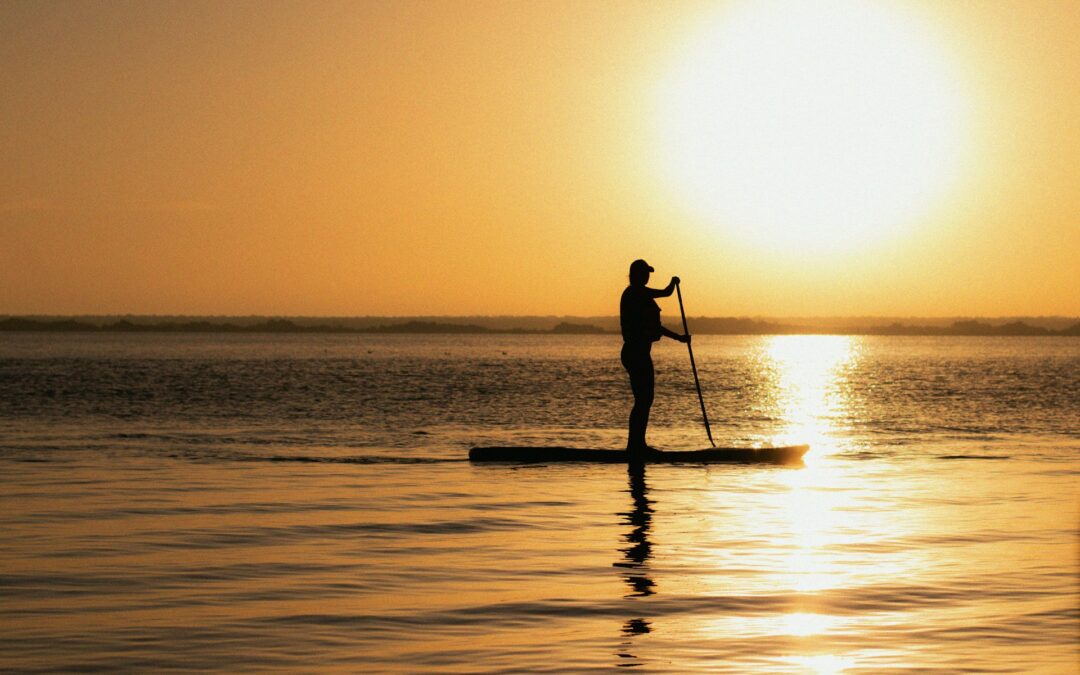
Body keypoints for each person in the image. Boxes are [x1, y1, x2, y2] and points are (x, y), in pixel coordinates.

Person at [620, 259, 689, 455]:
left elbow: (655, 327)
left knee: (645, 399)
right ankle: (635, 446)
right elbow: (666, 292)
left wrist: (679, 338)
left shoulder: (642, 296)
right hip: (635, 353)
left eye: (648, 273)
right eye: (645, 273)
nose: (647, 276)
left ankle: (637, 444)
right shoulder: (635, 293)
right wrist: (673, 283)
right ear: (637, 275)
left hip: (640, 353)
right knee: (643, 399)